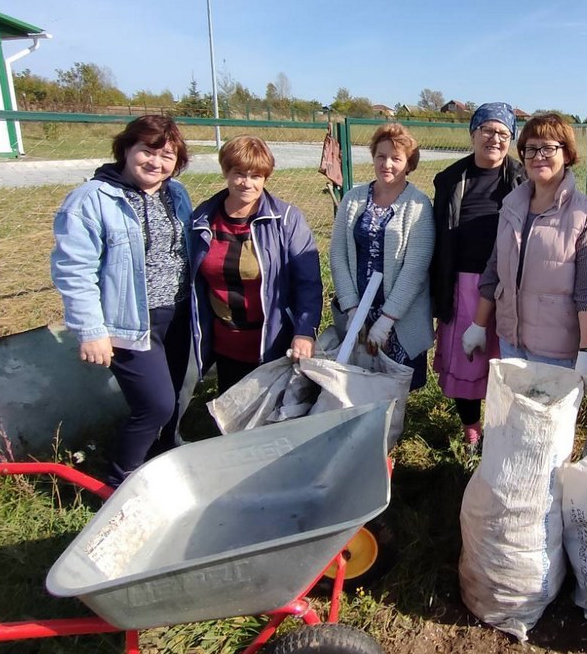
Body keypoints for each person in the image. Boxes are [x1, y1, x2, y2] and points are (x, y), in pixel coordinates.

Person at [51, 115, 194, 488]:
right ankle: (118, 479)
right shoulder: (92, 199)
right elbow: (74, 269)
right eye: (147, 151)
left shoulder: (175, 193)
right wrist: (91, 330)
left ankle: (163, 456)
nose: (156, 162)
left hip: (177, 314)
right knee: (155, 404)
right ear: (126, 149)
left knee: (176, 394)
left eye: (167, 155)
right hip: (130, 321)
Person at [463, 114, 587, 390]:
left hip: (556, 352)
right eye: (531, 148)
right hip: (511, 341)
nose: (538, 156)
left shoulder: (585, 214)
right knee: (513, 424)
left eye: (548, 148)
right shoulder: (511, 206)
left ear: (567, 154)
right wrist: (479, 325)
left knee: (548, 430)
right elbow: (494, 269)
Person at [189, 136, 323, 394]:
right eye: (239, 173)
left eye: (256, 176)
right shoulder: (201, 220)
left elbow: (307, 282)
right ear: (225, 172)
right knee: (234, 416)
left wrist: (305, 331)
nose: (247, 183)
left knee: (274, 420)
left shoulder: (286, 220)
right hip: (224, 343)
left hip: (273, 343)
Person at [430, 103, 526, 448]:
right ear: (473, 133)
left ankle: (502, 434)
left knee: (506, 364)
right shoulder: (450, 180)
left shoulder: (522, 178)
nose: (494, 139)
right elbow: (438, 237)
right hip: (463, 285)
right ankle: (472, 432)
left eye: (503, 133)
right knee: (467, 361)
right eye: (487, 130)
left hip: (509, 286)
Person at [331, 123, 434, 391]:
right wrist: (352, 309)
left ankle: (392, 431)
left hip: (399, 316)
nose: (387, 164)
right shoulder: (353, 199)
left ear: (409, 164)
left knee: (395, 389)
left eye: (396, 158)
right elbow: (338, 254)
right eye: (381, 156)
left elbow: (416, 267)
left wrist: (386, 321)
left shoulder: (418, 205)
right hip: (359, 310)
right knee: (355, 385)